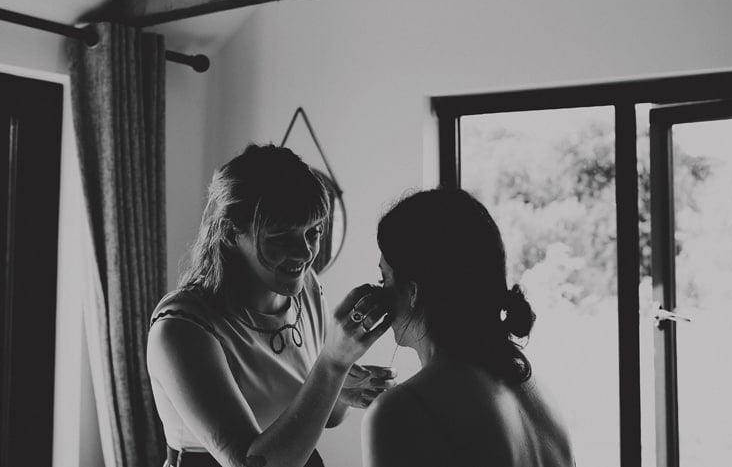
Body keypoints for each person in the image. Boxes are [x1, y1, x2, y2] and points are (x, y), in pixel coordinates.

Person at [147, 144, 395, 467]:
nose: (305, 253)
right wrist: (332, 364)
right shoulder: (182, 329)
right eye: (280, 237)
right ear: (232, 233)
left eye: (313, 232)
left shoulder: (306, 290)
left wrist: (342, 382)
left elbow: (328, 416)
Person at [362, 188, 575, 467]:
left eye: (384, 279)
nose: (379, 291)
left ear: (413, 292)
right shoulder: (535, 394)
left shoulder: (400, 412)